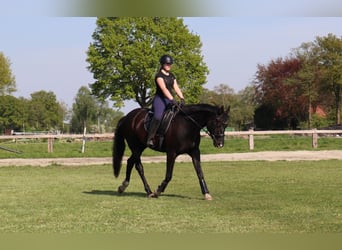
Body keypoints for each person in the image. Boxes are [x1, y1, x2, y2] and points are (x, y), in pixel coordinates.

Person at [147, 54, 185, 147]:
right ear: (162, 64)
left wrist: (182, 98)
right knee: (158, 116)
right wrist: (172, 99)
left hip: (169, 99)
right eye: (167, 64)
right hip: (160, 99)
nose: (169, 65)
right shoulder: (159, 76)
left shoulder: (172, 76)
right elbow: (164, 89)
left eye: (170, 64)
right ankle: (150, 138)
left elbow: (176, 87)